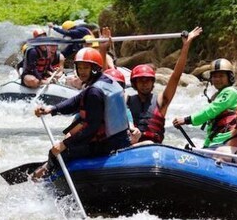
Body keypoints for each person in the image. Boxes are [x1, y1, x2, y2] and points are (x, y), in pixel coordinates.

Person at [30, 47, 132, 180]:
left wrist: (65, 144)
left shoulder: (94, 92)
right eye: (80, 67)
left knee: (55, 152)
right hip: (120, 139)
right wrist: (52, 109)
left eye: (86, 67)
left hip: (106, 145)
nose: (82, 71)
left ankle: (44, 179)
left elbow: (92, 127)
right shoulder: (105, 81)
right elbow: (76, 101)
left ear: (94, 68)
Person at [132, 26, 202, 144]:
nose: (145, 84)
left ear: (153, 82)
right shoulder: (126, 101)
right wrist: (103, 50)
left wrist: (186, 45)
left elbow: (175, 76)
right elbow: (107, 85)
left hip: (153, 148)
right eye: (141, 81)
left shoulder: (161, 101)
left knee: (149, 143)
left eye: (147, 81)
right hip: (132, 148)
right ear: (134, 84)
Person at [172, 58, 237, 149]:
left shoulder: (230, 92)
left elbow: (211, 110)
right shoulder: (219, 94)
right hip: (217, 140)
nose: (217, 79)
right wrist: (206, 145)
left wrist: (187, 120)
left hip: (226, 140)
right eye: (214, 76)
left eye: (221, 76)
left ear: (230, 77)